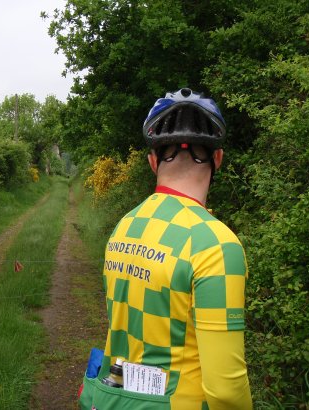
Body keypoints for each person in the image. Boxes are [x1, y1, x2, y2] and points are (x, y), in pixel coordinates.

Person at [79, 88, 252, 409]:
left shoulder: (124, 226)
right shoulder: (216, 245)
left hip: (112, 399)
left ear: (152, 161)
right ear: (218, 158)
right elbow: (226, 391)